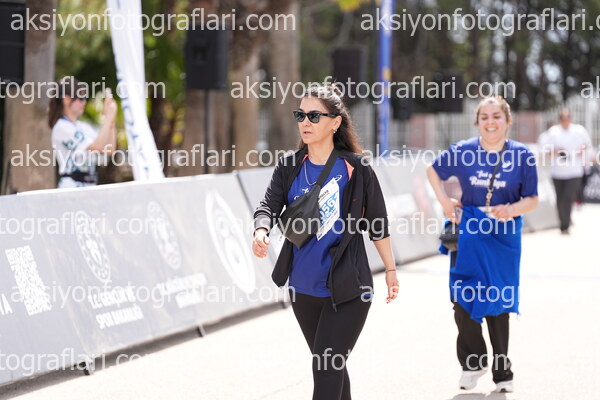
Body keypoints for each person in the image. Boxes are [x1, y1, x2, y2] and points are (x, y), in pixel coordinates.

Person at [252, 84, 398, 400]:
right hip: (303, 287)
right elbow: (268, 206)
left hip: (348, 288)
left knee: (326, 366)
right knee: (331, 366)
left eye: (314, 116)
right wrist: (261, 230)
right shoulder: (289, 166)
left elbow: (377, 223)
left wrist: (390, 269)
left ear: (335, 122)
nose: (305, 122)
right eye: (300, 115)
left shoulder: (356, 168)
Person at [427, 96, 539, 393]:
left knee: (498, 301)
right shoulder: (464, 150)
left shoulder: (522, 156)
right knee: (461, 297)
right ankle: (473, 362)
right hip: (470, 230)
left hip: (504, 235)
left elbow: (532, 199)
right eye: (485, 117)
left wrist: (512, 209)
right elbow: (432, 171)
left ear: (507, 121)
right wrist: (445, 203)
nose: (491, 122)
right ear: (477, 122)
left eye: (496, 116)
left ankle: (503, 372)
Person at [48, 76, 117, 188]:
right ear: (66, 99)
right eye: (80, 98)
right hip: (71, 187)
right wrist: (108, 117)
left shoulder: (84, 127)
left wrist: (110, 119)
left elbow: (109, 149)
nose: (84, 102)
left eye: (85, 98)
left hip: (89, 187)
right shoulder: (61, 127)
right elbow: (97, 147)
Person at [539, 109, 592, 233]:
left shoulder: (579, 131)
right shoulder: (553, 132)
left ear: (571, 119)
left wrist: (581, 152)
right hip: (557, 172)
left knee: (568, 197)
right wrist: (556, 151)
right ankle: (562, 221)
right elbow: (543, 151)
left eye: (567, 118)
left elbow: (588, 146)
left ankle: (565, 224)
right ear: (560, 120)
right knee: (560, 198)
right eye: (563, 119)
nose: (565, 121)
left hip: (574, 171)